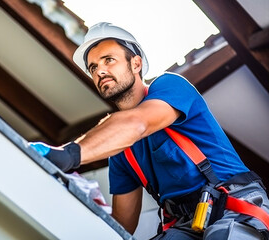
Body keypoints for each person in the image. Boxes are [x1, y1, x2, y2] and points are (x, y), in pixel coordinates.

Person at [30, 22, 269, 239]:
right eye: (93, 67)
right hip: (185, 225)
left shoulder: (170, 86)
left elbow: (137, 123)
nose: (99, 71)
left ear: (136, 63)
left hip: (233, 206)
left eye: (108, 60)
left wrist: (67, 155)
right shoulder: (120, 151)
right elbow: (123, 224)